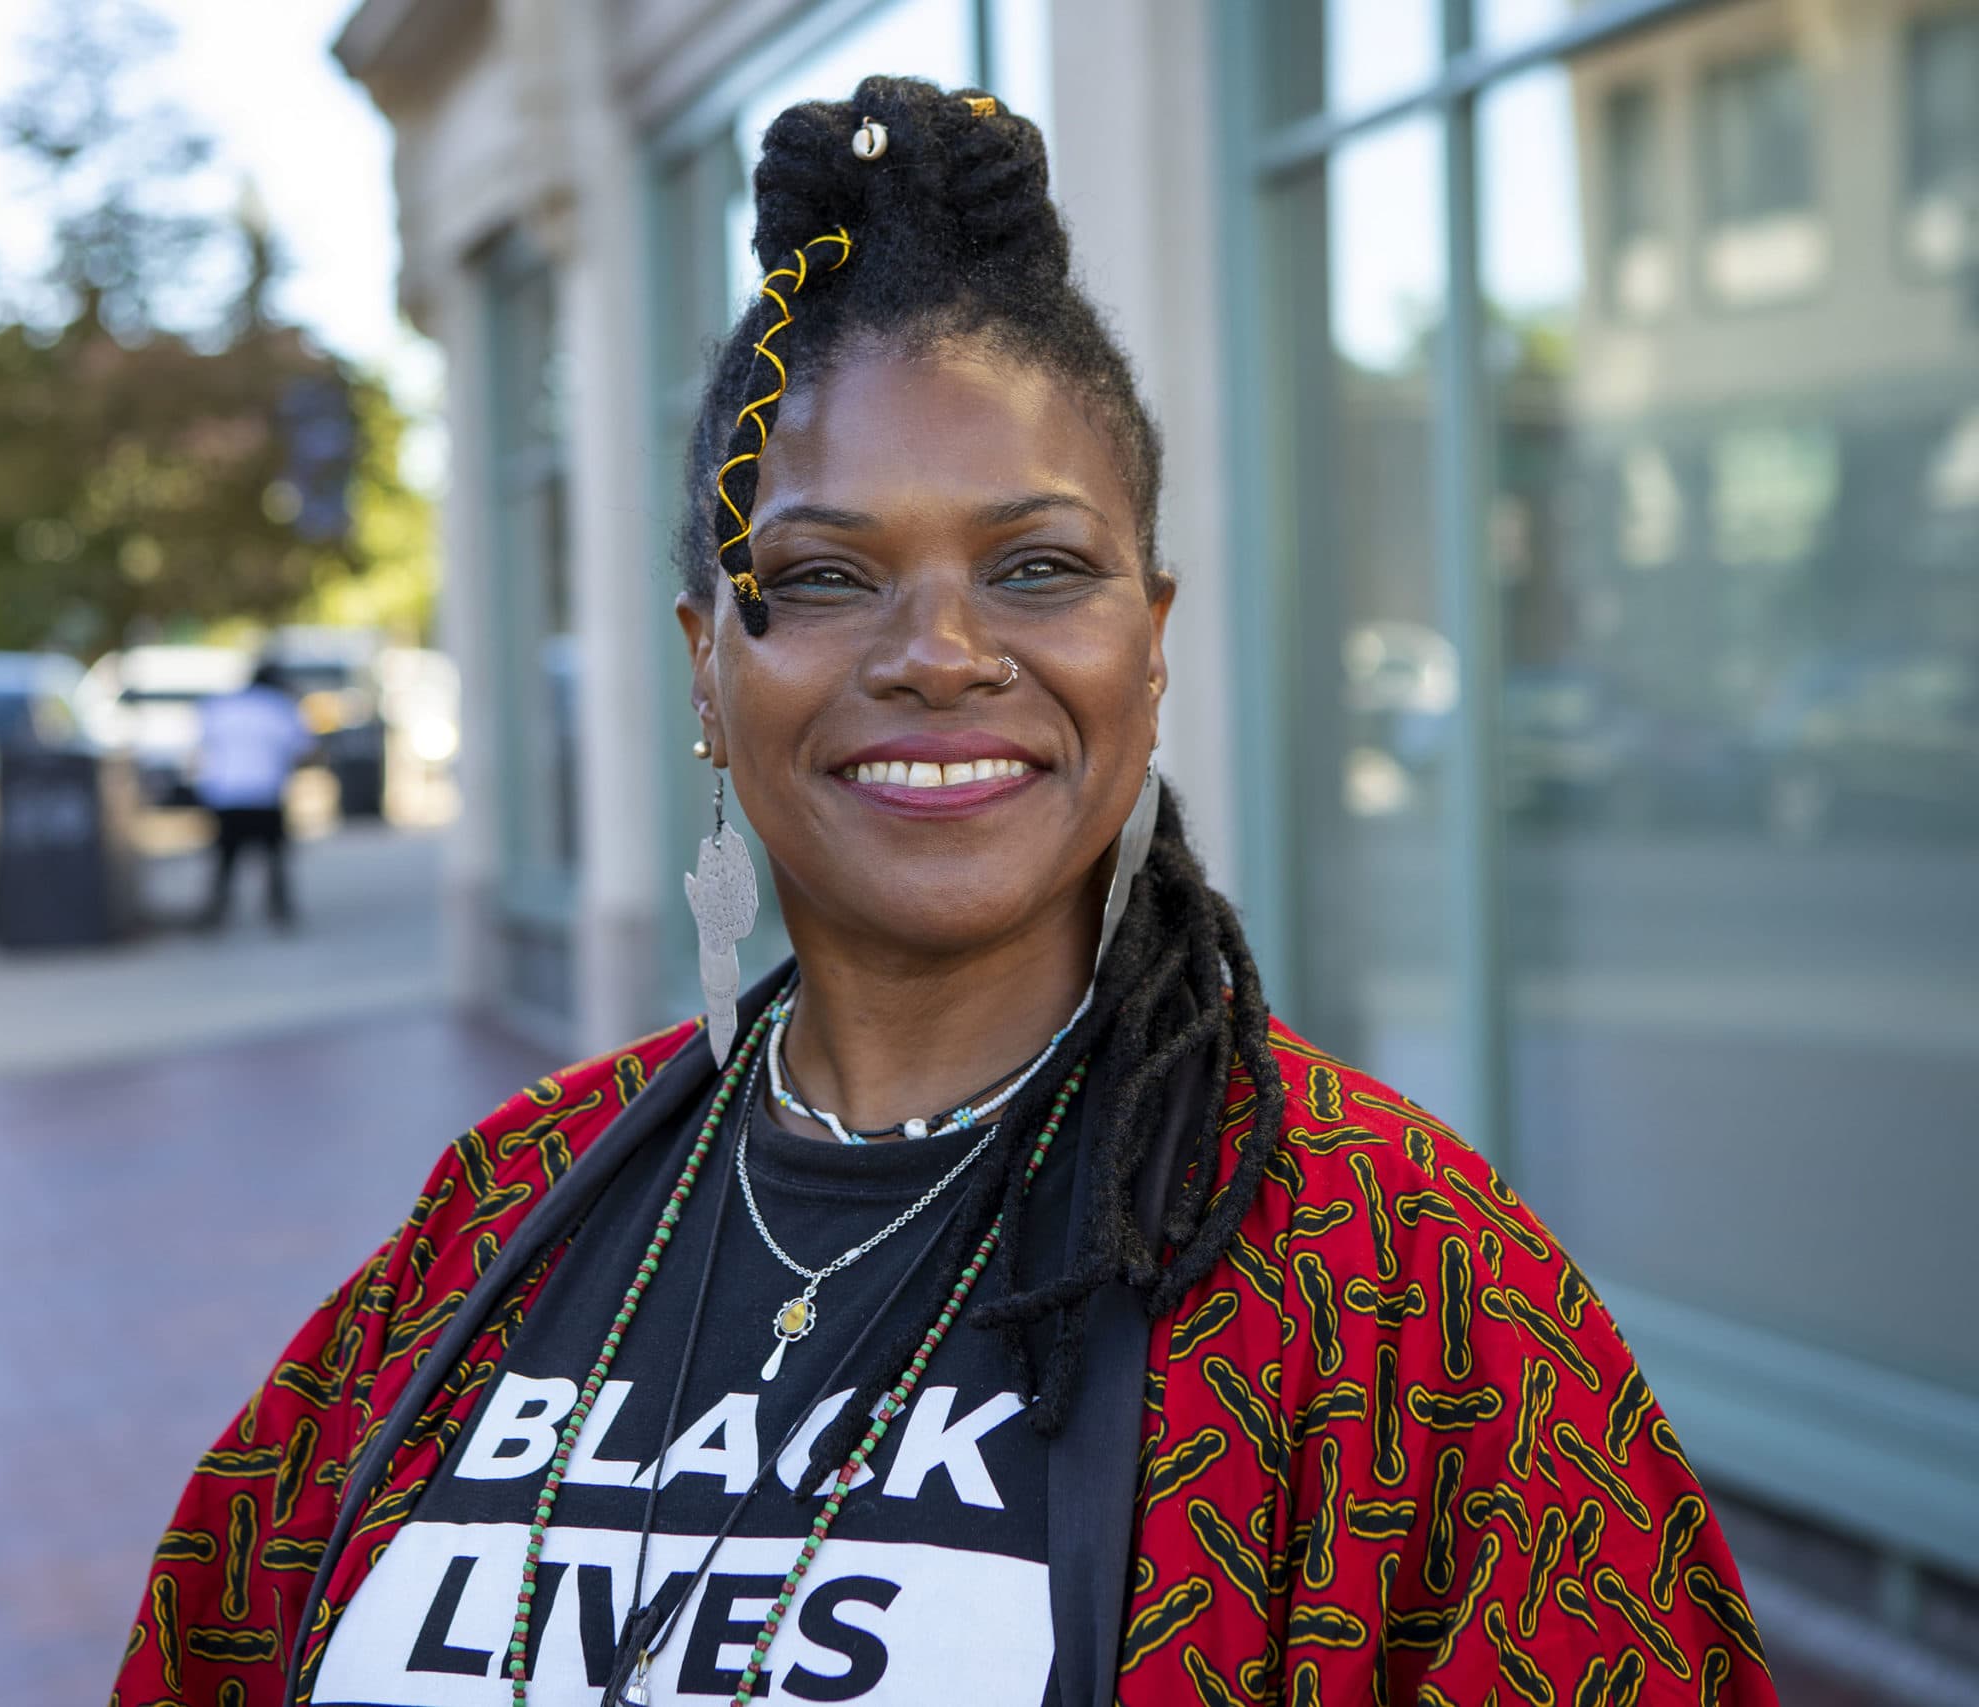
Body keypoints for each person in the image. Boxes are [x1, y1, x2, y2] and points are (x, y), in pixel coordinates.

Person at [115, 79, 1774, 1706]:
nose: (940, 655)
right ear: (709, 670)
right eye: (825, 577)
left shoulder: (1396, 1276)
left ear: (1152, 637)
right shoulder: (504, 1207)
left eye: (1039, 568)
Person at [196, 659, 313, 929]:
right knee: (274, 858)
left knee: (225, 858)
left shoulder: (220, 706)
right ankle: (279, 912)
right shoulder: (280, 707)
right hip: (266, 793)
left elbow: (203, 743)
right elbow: (303, 750)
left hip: (225, 792)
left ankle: (216, 913)